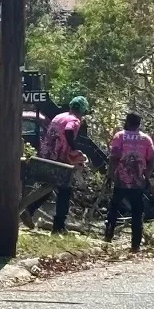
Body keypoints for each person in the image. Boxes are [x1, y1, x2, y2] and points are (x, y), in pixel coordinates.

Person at [38, 96, 90, 232]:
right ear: (82, 110)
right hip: (58, 159)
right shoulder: (74, 120)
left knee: (48, 186)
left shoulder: (59, 116)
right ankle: (59, 226)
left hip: (46, 155)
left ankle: (29, 210)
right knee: (65, 190)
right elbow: (68, 130)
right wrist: (74, 148)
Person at [105, 112, 154, 251]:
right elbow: (152, 159)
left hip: (120, 179)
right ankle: (135, 245)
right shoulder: (146, 139)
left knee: (114, 208)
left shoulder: (120, 136)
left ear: (127, 122)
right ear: (139, 124)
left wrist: (110, 175)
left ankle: (108, 238)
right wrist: (146, 175)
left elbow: (114, 157)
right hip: (138, 181)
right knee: (137, 212)